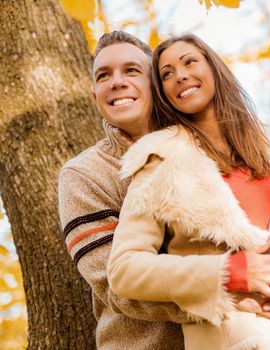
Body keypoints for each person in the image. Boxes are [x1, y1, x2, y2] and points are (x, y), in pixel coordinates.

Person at [106, 33, 270, 350]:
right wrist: (230, 273)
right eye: (166, 73)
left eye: (190, 61)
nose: (180, 75)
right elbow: (125, 268)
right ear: (163, 93)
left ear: (214, 68)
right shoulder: (160, 162)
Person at [57, 31, 188, 349]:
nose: (117, 81)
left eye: (131, 70)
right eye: (104, 75)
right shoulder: (83, 174)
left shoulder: (199, 145)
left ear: (155, 83)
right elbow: (119, 287)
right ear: (95, 97)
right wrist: (234, 292)